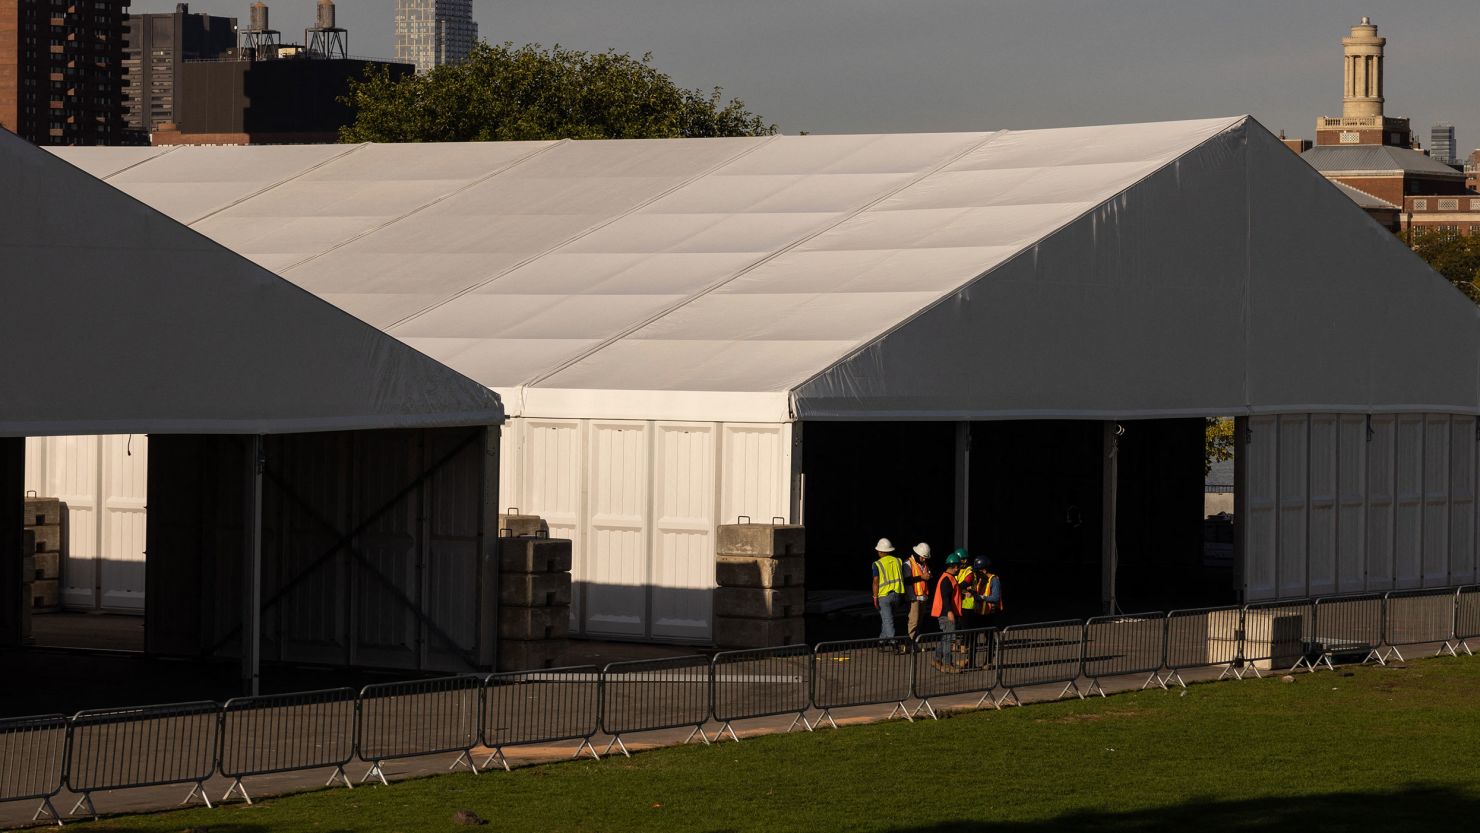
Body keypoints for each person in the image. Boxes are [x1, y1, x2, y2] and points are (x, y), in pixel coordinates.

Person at [930, 553, 965, 672]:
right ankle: (947, 664)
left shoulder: (948, 578)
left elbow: (951, 596)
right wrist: (950, 612)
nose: (959, 569)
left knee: (945, 638)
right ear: (954, 566)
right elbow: (945, 598)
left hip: (944, 612)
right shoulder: (947, 579)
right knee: (949, 639)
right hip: (946, 613)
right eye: (958, 566)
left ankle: (936, 659)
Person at [871, 538, 906, 640]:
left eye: (878, 550)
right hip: (898, 595)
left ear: (882, 551)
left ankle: (893, 642)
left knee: (888, 619)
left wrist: (874, 597)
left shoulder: (877, 564)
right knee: (886, 618)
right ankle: (881, 641)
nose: (877, 552)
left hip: (884, 596)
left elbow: (875, 582)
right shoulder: (898, 561)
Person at [905, 543, 933, 641]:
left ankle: (915, 642)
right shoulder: (908, 564)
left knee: (919, 621)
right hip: (914, 597)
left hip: (923, 596)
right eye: (923, 557)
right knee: (913, 621)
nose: (924, 559)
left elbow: (927, 575)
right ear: (917, 554)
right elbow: (906, 580)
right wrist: (921, 577)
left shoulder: (924, 564)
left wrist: (928, 576)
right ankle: (911, 642)